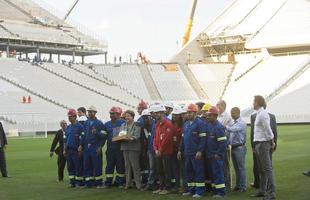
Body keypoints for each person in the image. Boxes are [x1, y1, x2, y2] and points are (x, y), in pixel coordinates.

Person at [178, 104, 208, 198]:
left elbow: (203, 139)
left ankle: (200, 191)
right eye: (187, 112)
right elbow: (183, 139)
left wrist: (200, 151)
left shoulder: (200, 123)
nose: (188, 114)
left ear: (195, 113)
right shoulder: (186, 124)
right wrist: (179, 150)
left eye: (190, 112)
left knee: (198, 171)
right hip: (187, 153)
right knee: (189, 171)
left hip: (196, 153)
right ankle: (191, 190)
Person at [251, 95, 276, 200]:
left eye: (253, 101)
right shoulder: (259, 114)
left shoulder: (263, 114)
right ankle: (262, 190)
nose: (252, 103)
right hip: (259, 144)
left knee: (267, 169)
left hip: (263, 144)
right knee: (262, 169)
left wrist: (272, 141)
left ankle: (272, 193)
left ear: (258, 102)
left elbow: (268, 129)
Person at [81, 106, 106, 188]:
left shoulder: (99, 123)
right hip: (86, 146)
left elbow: (104, 135)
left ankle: (98, 182)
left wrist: (100, 146)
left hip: (95, 146)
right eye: (89, 112)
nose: (90, 113)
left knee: (97, 165)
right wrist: (81, 145)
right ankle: (89, 183)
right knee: (87, 164)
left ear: (95, 113)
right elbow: (83, 135)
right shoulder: (86, 122)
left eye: (92, 112)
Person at [152, 104, 174, 195]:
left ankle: (168, 188)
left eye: (157, 113)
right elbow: (155, 138)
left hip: (166, 152)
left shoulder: (168, 123)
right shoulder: (157, 124)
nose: (155, 114)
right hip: (158, 152)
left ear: (162, 113)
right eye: (155, 113)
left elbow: (167, 139)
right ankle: (161, 187)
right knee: (159, 170)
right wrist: (156, 149)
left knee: (167, 170)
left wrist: (160, 150)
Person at [206, 106, 227, 198]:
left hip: (216, 156)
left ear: (215, 116)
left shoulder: (218, 127)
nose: (207, 117)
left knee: (218, 173)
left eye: (209, 115)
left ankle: (221, 192)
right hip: (210, 155)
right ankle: (215, 191)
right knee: (213, 174)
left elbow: (223, 143)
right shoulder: (210, 126)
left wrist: (218, 153)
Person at [103, 107, 126, 188]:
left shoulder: (123, 123)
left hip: (120, 148)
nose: (111, 115)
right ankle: (108, 182)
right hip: (110, 148)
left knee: (120, 166)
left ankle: (120, 182)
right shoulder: (106, 124)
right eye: (111, 113)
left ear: (118, 114)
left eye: (113, 113)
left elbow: (124, 135)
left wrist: (116, 138)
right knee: (109, 165)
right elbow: (103, 136)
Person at [120, 110, 142, 190]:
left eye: (128, 116)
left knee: (135, 166)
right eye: (126, 116)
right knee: (127, 166)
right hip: (125, 147)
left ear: (132, 117)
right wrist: (122, 137)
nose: (126, 117)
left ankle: (138, 184)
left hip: (134, 148)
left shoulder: (137, 125)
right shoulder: (123, 125)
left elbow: (137, 136)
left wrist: (128, 137)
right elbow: (121, 135)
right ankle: (128, 183)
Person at [226, 107, 247, 192]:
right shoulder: (234, 123)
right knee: (236, 168)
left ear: (238, 113)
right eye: (231, 113)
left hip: (239, 147)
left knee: (241, 168)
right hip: (234, 147)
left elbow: (232, 130)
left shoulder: (241, 123)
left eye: (233, 113)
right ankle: (238, 186)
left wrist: (225, 126)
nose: (231, 115)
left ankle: (243, 186)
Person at [64, 109, 84, 188]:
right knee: (70, 167)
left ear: (75, 116)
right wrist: (64, 149)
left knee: (78, 166)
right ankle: (72, 182)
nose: (69, 118)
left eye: (71, 116)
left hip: (76, 150)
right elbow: (65, 139)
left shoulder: (80, 127)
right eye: (68, 117)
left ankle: (79, 182)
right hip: (69, 150)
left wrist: (80, 146)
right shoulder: (68, 127)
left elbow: (82, 138)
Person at [216, 100, 233, 190]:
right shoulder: (217, 116)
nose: (216, 106)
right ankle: (221, 183)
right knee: (219, 165)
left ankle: (227, 184)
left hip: (224, 144)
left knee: (225, 165)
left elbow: (230, 130)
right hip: (216, 144)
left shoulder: (227, 117)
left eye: (218, 105)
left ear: (222, 106)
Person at [142, 107, 158, 191]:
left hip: (155, 150)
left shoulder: (154, 124)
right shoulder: (144, 126)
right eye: (143, 118)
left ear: (150, 117)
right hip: (149, 150)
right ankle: (153, 183)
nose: (145, 119)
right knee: (151, 167)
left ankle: (151, 183)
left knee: (153, 168)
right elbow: (145, 139)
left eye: (146, 117)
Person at [170, 106, 184, 192]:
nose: (174, 116)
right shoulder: (171, 124)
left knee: (181, 168)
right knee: (174, 168)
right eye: (173, 114)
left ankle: (183, 186)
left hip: (180, 150)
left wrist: (180, 149)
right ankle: (176, 185)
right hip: (172, 149)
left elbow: (182, 139)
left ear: (180, 116)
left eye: (176, 115)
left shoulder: (183, 125)